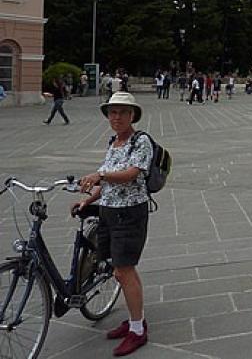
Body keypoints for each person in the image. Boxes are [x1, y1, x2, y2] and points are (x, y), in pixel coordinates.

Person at [72, 92, 152, 355]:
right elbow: (106, 181)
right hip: (108, 212)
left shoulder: (140, 142)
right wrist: (89, 199)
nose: (116, 117)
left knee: (124, 270)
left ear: (132, 116)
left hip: (129, 214)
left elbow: (130, 175)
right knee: (118, 270)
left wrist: (99, 174)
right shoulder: (114, 142)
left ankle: (138, 330)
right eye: (112, 112)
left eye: (122, 112)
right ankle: (135, 319)